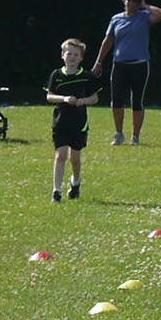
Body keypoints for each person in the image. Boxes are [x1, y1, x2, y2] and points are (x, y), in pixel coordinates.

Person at [91, 0, 161, 145]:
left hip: (140, 65)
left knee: (137, 101)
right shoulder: (116, 19)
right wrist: (99, 61)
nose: (131, 3)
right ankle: (118, 133)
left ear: (139, 3)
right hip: (120, 65)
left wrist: (145, 6)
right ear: (124, 0)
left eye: (135, 1)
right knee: (116, 100)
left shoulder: (144, 17)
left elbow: (159, 14)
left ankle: (135, 136)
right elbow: (108, 41)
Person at [45, 37, 99, 201]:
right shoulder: (57, 75)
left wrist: (82, 101)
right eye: (69, 53)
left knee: (74, 159)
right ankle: (56, 191)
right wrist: (64, 99)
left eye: (76, 54)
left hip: (79, 124)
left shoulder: (87, 77)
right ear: (63, 55)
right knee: (60, 155)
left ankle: (75, 182)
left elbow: (95, 98)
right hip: (60, 122)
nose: (72, 57)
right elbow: (49, 96)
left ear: (81, 58)